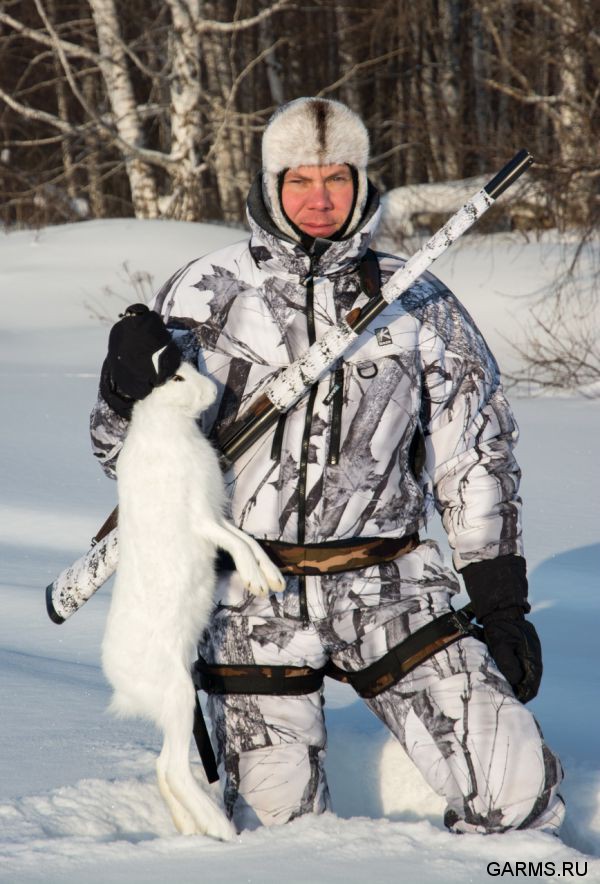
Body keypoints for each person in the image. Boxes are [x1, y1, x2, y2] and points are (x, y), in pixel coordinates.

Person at [91, 97, 564, 835]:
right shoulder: (201, 295)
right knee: (278, 834)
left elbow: (475, 456)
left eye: (337, 179)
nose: (319, 199)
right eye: (300, 181)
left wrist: (500, 600)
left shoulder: (419, 300)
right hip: (252, 599)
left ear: (362, 181)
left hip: (391, 585)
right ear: (271, 185)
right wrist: (123, 393)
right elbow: (123, 455)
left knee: (517, 791)